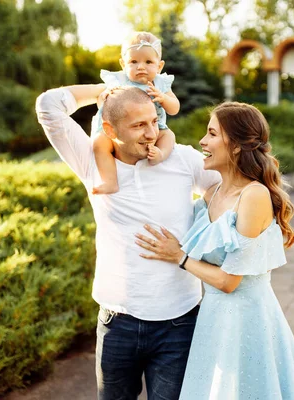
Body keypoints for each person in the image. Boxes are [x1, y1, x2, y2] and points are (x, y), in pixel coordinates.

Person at [35, 84, 220, 400]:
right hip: (117, 321)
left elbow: (224, 192)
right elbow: (48, 106)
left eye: (153, 121)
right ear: (109, 129)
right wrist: (102, 91)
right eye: (138, 125)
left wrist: (199, 242)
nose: (151, 133)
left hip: (179, 321)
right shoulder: (92, 162)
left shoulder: (181, 158)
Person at [136, 102, 294, 399]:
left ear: (235, 146)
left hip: (248, 322)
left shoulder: (254, 195)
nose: (203, 142)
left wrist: (178, 255)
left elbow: (229, 282)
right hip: (213, 320)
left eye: (212, 134)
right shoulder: (212, 194)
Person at [91, 31, 179, 195]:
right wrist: (103, 98)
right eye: (133, 61)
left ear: (159, 66)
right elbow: (103, 104)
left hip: (156, 127)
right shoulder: (117, 82)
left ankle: (160, 154)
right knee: (99, 144)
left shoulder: (161, 84)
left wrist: (163, 98)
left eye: (148, 62)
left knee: (169, 136)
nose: (141, 66)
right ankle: (110, 181)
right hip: (120, 131)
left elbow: (174, 108)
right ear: (123, 65)